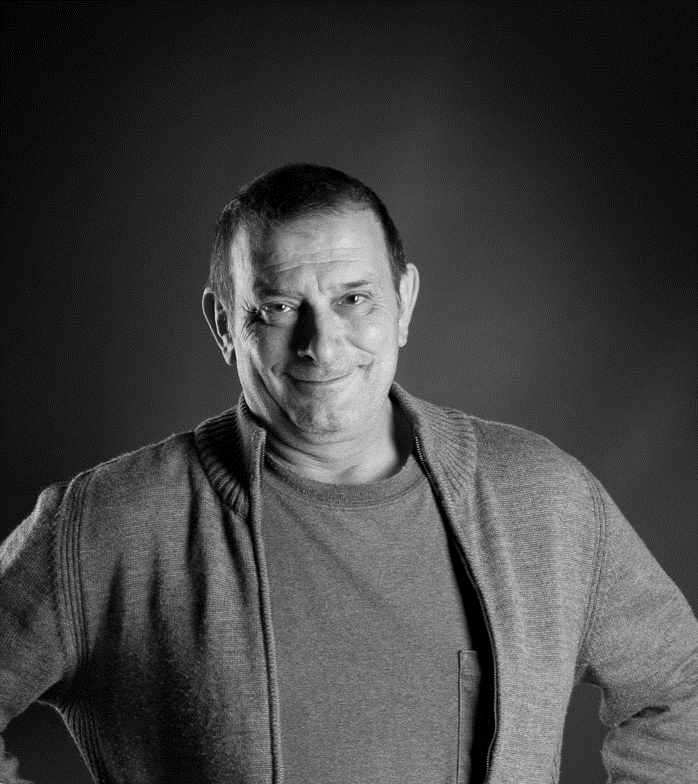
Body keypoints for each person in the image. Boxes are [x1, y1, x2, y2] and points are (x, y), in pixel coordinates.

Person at [1, 163, 696, 784]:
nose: (322, 345)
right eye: (278, 308)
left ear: (405, 302)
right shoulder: (110, 522)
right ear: (225, 325)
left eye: (354, 299)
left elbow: (679, 686)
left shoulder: (542, 498)